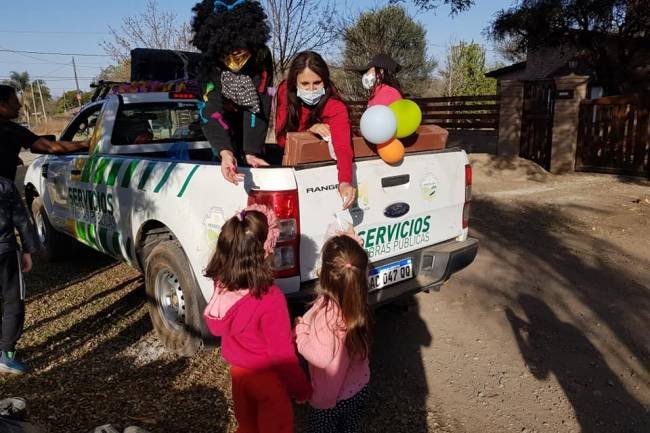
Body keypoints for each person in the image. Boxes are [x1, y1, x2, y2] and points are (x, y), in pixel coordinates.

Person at [203, 204, 312, 433]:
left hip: (239, 375)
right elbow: (282, 354)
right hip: (269, 382)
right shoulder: (271, 299)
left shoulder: (221, 285)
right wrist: (300, 389)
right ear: (265, 252)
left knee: (247, 425)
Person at [191, 0, 274, 185]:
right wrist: (225, 152)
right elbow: (211, 109)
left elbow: (261, 102)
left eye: (241, 49)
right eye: (229, 51)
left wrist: (251, 151)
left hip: (249, 126)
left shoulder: (261, 56)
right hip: (221, 129)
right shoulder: (209, 62)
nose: (236, 56)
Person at [294, 234, 371, 433]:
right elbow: (351, 263)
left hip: (331, 399)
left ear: (325, 275)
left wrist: (300, 333)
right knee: (350, 426)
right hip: (358, 386)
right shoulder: (358, 301)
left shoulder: (326, 316)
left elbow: (321, 358)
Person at [275, 51, 356, 209]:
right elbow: (281, 139)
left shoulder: (335, 106)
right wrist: (309, 130)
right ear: (294, 82)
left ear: (325, 81)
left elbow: (342, 147)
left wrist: (345, 181)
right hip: (291, 167)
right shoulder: (284, 92)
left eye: (317, 83)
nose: (311, 89)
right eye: (304, 84)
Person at [0, 85, 89, 181]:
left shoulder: (12, 129)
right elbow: (51, 147)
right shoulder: (12, 129)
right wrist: (87, 143)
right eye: (15, 102)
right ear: (2, 105)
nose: (19, 106)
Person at [0, 176, 37, 374]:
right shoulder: (5, 185)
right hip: (5, 251)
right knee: (13, 300)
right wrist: (28, 250)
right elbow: (21, 220)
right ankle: (6, 354)